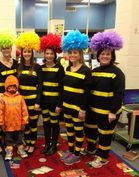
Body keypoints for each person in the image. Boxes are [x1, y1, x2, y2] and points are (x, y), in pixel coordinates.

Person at [85, 31, 125, 168]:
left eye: (108, 54)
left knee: (104, 135)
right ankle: (91, 149)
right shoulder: (94, 72)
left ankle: (102, 158)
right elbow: (89, 92)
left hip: (108, 112)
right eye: (103, 54)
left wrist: (113, 112)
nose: (105, 56)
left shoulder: (117, 73)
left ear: (112, 56)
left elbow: (119, 94)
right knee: (90, 131)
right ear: (98, 56)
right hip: (93, 110)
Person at [60, 30, 91, 165]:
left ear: (80, 54)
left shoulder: (86, 70)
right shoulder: (68, 69)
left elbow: (87, 93)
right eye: (70, 52)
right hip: (67, 108)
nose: (72, 55)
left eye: (75, 52)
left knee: (78, 132)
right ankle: (71, 150)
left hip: (78, 109)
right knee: (69, 131)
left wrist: (83, 110)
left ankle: (77, 154)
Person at [0, 30, 18, 153]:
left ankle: (10, 142)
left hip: (12, 99)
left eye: (8, 48)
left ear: (11, 49)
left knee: (11, 120)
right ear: (1, 50)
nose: (6, 51)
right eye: (4, 49)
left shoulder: (16, 64)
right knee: (1, 121)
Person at [16, 31, 42, 154]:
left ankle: (32, 143)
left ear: (32, 53)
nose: (27, 54)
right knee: (24, 123)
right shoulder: (18, 67)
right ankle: (27, 141)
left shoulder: (37, 67)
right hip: (21, 101)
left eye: (29, 51)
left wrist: (38, 102)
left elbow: (40, 86)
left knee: (32, 123)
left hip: (33, 101)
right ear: (21, 53)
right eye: (25, 51)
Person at [40, 33, 65, 155]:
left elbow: (62, 88)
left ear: (55, 54)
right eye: (47, 53)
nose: (49, 56)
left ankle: (54, 145)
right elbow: (40, 86)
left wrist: (59, 104)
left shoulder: (60, 68)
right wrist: (38, 102)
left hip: (55, 103)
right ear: (44, 54)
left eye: (51, 53)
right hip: (44, 102)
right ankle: (47, 144)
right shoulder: (41, 68)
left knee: (54, 124)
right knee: (46, 123)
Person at [0, 75, 29, 160]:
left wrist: (24, 122)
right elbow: (0, 113)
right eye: (9, 87)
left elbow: (24, 111)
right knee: (8, 140)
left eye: (14, 87)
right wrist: (1, 123)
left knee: (19, 139)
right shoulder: (3, 99)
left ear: (17, 87)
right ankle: (9, 151)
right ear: (6, 87)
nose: (12, 89)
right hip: (8, 125)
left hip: (19, 125)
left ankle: (20, 150)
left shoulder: (20, 98)